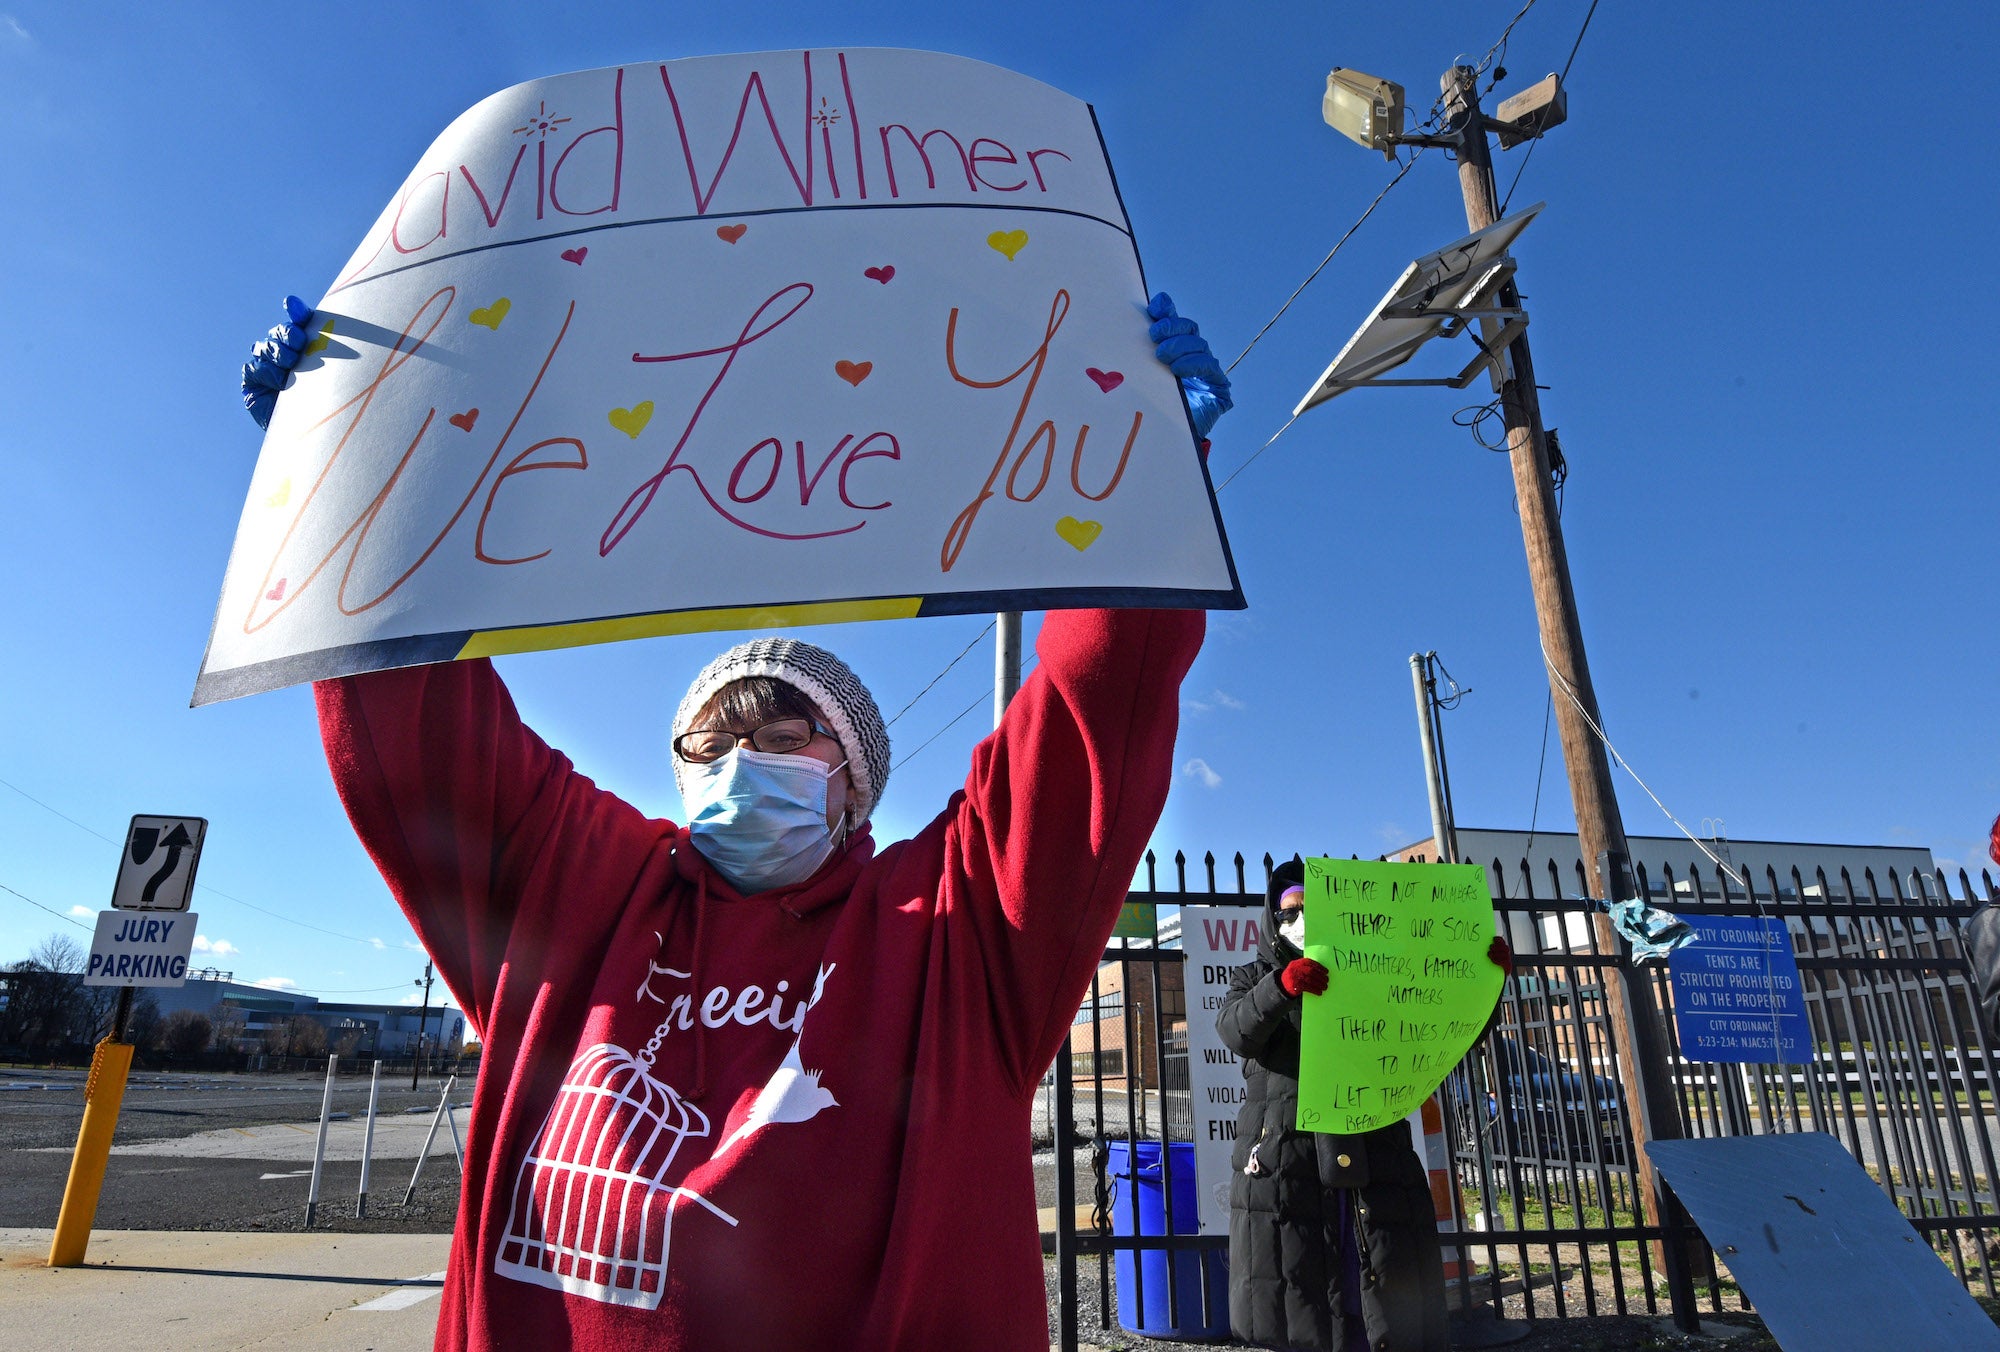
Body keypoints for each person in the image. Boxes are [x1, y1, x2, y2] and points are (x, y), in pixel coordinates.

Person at [241, 292, 1231, 1350]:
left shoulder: (949, 921)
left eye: (785, 732)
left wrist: (1149, 475)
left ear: (855, 782)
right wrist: (340, 471)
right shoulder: (581, 885)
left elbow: (1093, 711)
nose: (739, 759)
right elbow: (411, 730)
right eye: (708, 743)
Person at [1217, 858, 1510, 1352]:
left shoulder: (1374, 968)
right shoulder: (1254, 973)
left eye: (1312, 907)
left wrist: (1486, 983)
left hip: (1375, 1144)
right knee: (1299, 1275)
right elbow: (1235, 1030)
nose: (1300, 918)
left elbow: (1447, 1031)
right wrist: (1281, 987)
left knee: (1377, 1268)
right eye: (1289, 910)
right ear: (1273, 918)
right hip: (1288, 1156)